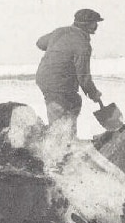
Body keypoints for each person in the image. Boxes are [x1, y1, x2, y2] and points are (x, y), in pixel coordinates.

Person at [35, 8, 104, 136]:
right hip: (59, 82)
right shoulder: (83, 44)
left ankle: (65, 140)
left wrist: (59, 47)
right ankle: (62, 145)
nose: (97, 25)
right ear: (87, 24)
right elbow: (83, 76)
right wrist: (94, 94)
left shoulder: (60, 31)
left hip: (44, 78)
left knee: (72, 103)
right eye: (95, 22)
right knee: (61, 115)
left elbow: (40, 43)